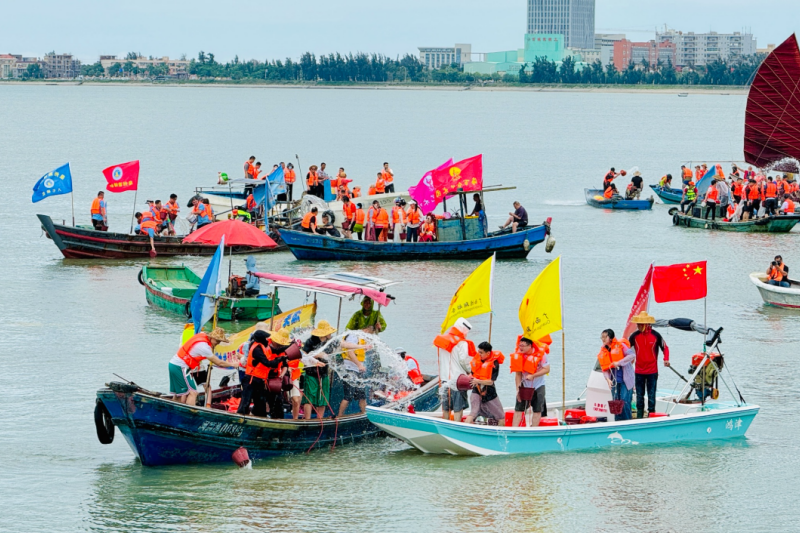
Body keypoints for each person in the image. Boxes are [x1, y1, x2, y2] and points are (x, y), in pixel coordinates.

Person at [169, 327, 237, 407]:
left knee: (178, 394)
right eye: (217, 340)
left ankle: (174, 409)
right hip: (180, 366)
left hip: (174, 364)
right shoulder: (204, 347)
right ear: (211, 337)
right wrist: (233, 364)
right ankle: (190, 414)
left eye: (220, 341)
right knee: (193, 392)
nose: (218, 343)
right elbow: (219, 363)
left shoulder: (202, 335)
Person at [627, 312, 670, 419]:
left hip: (652, 372)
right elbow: (626, 348)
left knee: (651, 396)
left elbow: (665, 348)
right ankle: (640, 417)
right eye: (637, 324)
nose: (637, 326)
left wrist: (666, 359)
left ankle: (652, 416)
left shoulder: (655, 335)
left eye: (640, 324)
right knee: (639, 396)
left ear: (646, 324)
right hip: (639, 371)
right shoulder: (634, 336)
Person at [434, 318, 475, 422]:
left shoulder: (443, 340)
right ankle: (457, 424)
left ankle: (446, 423)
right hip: (458, 380)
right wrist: (470, 371)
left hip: (444, 380)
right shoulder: (462, 343)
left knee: (446, 407)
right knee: (458, 406)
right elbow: (464, 360)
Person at [509, 336, 550, 427]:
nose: (521, 348)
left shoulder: (541, 354)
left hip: (539, 384)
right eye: (520, 345)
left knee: (537, 409)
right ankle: (514, 429)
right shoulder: (518, 356)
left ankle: (534, 428)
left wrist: (533, 375)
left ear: (530, 346)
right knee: (519, 408)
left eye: (523, 346)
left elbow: (546, 369)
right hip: (524, 385)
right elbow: (518, 374)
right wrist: (518, 389)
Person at [597, 329, 635, 421]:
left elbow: (632, 355)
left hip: (625, 379)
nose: (602, 339)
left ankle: (627, 423)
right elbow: (604, 367)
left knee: (625, 402)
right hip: (614, 381)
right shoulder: (603, 350)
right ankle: (618, 423)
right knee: (615, 404)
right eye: (601, 337)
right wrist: (607, 379)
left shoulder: (621, 346)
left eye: (604, 336)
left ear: (610, 337)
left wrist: (619, 362)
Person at [464, 341, 505, 425]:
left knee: (501, 417)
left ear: (488, 353)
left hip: (489, 392)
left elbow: (490, 382)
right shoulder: (476, 361)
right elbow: (472, 374)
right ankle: (464, 429)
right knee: (473, 413)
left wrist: (477, 381)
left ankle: (500, 436)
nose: (479, 354)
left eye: (481, 353)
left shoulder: (494, 363)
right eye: (478, 352)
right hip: (476, 391)